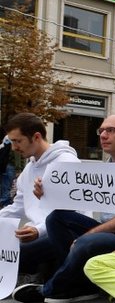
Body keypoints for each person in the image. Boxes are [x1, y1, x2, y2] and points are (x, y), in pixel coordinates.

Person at [13, 116, 115, 303]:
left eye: (111, 130)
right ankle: (80, 284)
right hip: (109, 231)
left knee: (86, 242)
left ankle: (51, 289)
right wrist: (47, 193)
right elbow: (75, 201)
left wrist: (89, 234)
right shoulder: (104, 167)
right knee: (56, 218)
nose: (103, 135)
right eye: (101, 131)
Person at [2, 113, 78, 282]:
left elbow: (73, 211)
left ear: (36, 137)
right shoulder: (29, 169)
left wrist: (38, 230)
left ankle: (33, 277)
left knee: (16, 255)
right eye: (12, 141)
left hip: (62, 234)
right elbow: (17, 207)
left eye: (17, 141)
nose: (13, 147)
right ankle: (33, 275)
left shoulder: (66, 163)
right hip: (36, 233)